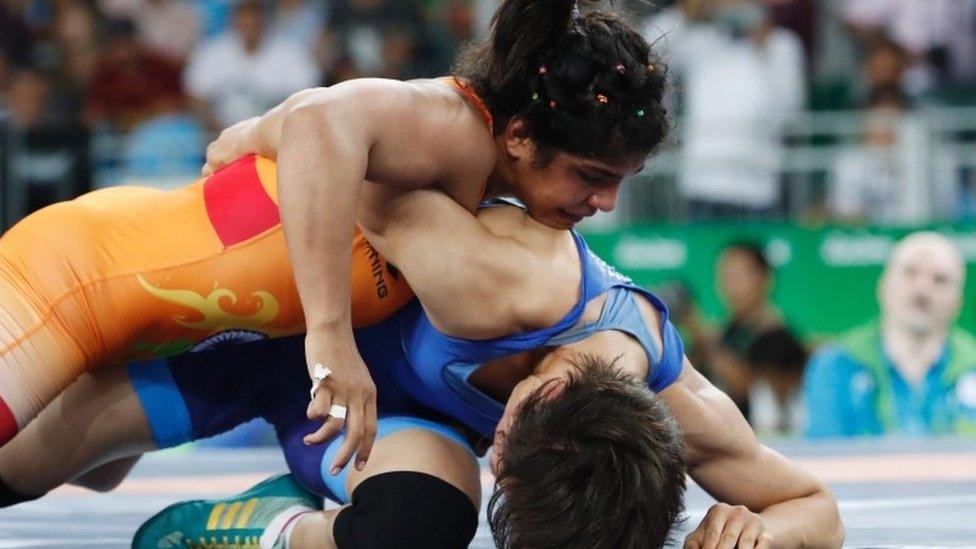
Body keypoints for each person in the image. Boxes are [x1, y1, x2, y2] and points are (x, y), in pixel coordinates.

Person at [0, 1, 669, 476]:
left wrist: (260, 129)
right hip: (72, 282)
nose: (605, 203)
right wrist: (330, 333)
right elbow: (321, 117)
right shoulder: (457, 128)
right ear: (521, 137)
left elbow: (308, 121)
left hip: (146, 325)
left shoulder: (458, 179)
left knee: (51, 470)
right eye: (592, 176)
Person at [0, 191, 844, 547]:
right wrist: (327, 327)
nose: (495, 459)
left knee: (422, 526)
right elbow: (337, 141)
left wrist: (759, 533)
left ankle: (270, 525)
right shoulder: (503, 266)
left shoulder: (673, 402)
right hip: (271, 334)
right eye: (505, 449)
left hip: (358, 425)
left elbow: (816, 505)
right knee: (20, 467)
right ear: (547, 390)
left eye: (500, 469)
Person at [805, 232, 976, 438]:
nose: (922, 289)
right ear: (883, 285)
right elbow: (823, 457)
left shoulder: (972, 364)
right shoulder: (835, 364)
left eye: (940, 280)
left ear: (958, 301)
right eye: (910, 273)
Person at [709, 242, 808, 433]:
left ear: (765, 278)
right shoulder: (727, 332)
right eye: (725, 276)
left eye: (738, 276)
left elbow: (756, 392)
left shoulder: (781, 339)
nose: (730, 286)